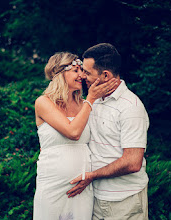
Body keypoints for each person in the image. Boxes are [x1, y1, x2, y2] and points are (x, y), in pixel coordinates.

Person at [67, 43, 150, 220]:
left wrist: (92, 176)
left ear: (105, 75)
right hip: (94, 197)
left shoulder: (131, 108)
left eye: (87, 72)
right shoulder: (93, 101)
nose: (82, 76)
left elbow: (133, 162)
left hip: (124, 200)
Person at [33, 52, 117, 220]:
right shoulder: (44, 102)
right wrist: (91, 99)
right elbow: (73, 132)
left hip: (82, 185)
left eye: (82, 70)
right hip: (52, 184)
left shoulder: (83, 104)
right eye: (76, 70)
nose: (82, 75)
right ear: (59, 74)